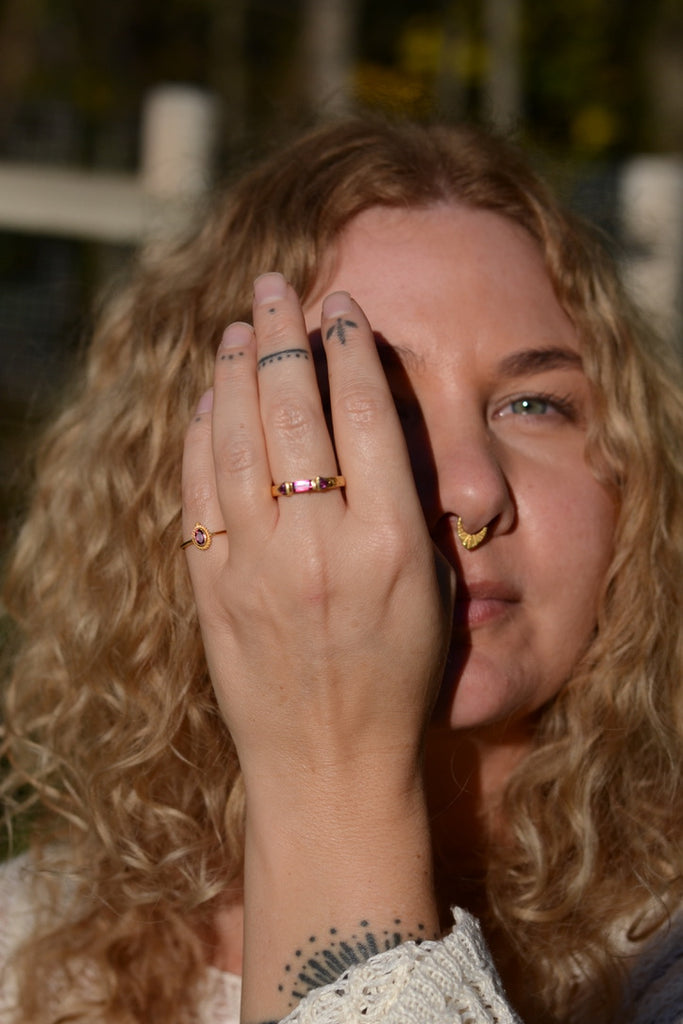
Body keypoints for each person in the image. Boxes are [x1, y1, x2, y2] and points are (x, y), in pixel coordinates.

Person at [0, 116, 681, 1024]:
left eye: (533, 403)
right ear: (196, 469)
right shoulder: (29, 949)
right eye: (371, 406)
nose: (471, 491)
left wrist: (330, 772)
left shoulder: (660, 956)